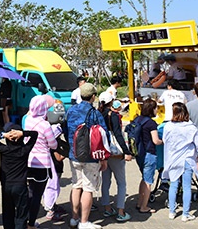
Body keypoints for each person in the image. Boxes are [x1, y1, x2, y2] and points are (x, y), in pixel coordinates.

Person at [65, 83, 108, 229]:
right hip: (91, 156)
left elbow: (65, 130)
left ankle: (74, 218)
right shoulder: (95, 114)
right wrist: (104, 158)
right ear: (93, 96)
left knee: (76, 185)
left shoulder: (71, 110)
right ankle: (84, 222)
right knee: (88, 188)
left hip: (74, 154)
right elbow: (103, 135)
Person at [0, 123, 38, 229]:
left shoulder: (4, 149)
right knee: (21, 215)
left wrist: (4, 135)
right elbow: (35, 134)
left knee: (7, 213)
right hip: (20, 186)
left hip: (6, 185)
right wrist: (23, 133)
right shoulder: (24, 150)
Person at [163, 102, 198, 222]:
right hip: (187, 159)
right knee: (187, 187)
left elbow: (165, 140)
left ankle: (172, 211)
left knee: (173, 185)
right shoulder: (191, 128)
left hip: (173, 159)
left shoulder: (168, 126)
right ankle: (185, 214)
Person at [23, 95, 58, 228]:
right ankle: (31, 224)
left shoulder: (28, 120)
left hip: (29, 161)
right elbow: (53, 144)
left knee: (29, 192)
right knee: (37, 195)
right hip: (42, 164)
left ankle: (26, 220)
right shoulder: (45, 125)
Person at [98, 92, 133, 223]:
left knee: (106, 181)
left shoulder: (98, 114)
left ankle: (107, 208)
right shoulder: (112, 115)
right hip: (116, 152)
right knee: (121, 183)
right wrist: (126, 151)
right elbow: (118, 135)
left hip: (104, 152)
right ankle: (121, 211)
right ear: (111, 101)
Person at [135, 98, 163, 214]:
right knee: (148, 181)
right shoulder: (151, 123)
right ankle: (144, 207)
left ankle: (139, 202)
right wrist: (163, 141)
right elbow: (156, 141)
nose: (157, 110)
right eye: (156, 108)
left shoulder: (137, 119)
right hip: (149, 154)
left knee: (144, 178)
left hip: (139, 153)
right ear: (152, 109)